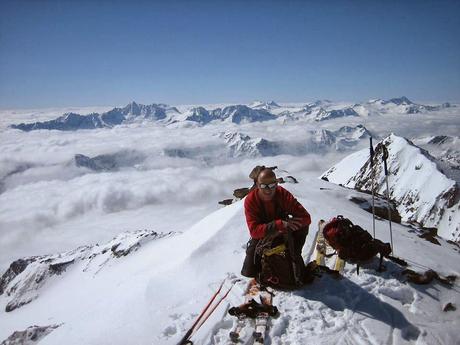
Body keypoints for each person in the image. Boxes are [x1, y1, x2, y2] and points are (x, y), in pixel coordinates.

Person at [241, 167, 312, 278]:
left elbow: (306, 218)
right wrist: (280, 224)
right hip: (263, 235)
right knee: (249, 271)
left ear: (277, 184)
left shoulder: (282, 194)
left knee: (302, 228)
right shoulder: (251, 200)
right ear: (257, 185)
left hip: (283, 231)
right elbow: (254, 231)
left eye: (272, 185)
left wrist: (289, 225)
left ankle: (295, 253)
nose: (268, 190)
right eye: (263, 186)